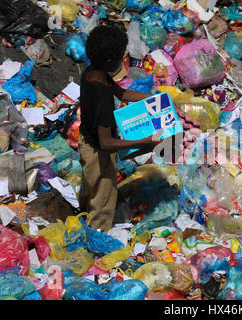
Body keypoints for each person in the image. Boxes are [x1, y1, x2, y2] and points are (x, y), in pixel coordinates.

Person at [78, 25, 161, 232]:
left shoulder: (92, 73)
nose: (122, 60)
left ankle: (82, 214)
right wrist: (147, 141)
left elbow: (122, 94)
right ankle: (95, 241)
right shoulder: (101, 98)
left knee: (91, 187)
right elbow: (107, 143)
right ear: (110, 60)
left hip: (86, 140)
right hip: (99, 153)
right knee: (104, 202)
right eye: (120, 56)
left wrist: (155, 100)